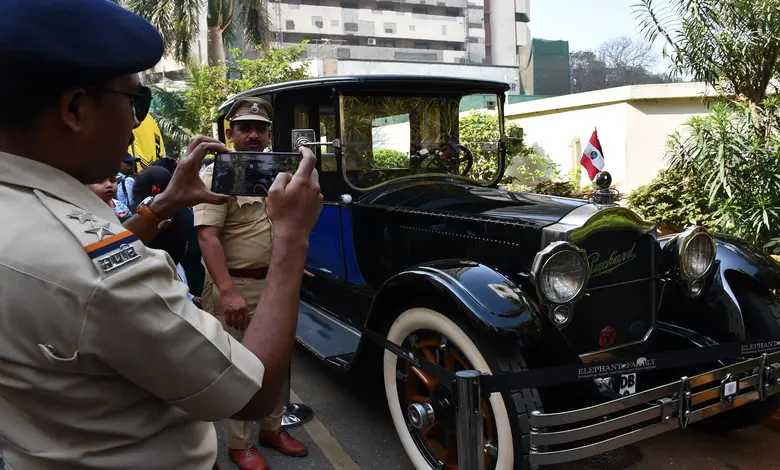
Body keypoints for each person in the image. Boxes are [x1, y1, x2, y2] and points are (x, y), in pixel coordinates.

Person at [0, 2, 323, 470]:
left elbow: (84, 258)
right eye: (135, 100)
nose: (136, 123)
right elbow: (251, 392)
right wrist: (293, 241)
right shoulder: (107, 278)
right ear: (74, 108)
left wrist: (165, 203)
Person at [196, 97, 309, 469]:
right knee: (239, 366)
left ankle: (272, 428)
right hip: (237, 288)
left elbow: (282, 228)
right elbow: (208, 238)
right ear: (230, 133)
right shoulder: (216, 176)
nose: (253, 134)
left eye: (260, 128)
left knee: (278, 362)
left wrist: (293, 266)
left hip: (275, 283)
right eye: (244, 127)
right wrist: (227, 293)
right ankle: (239, 443)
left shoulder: (281, 175)